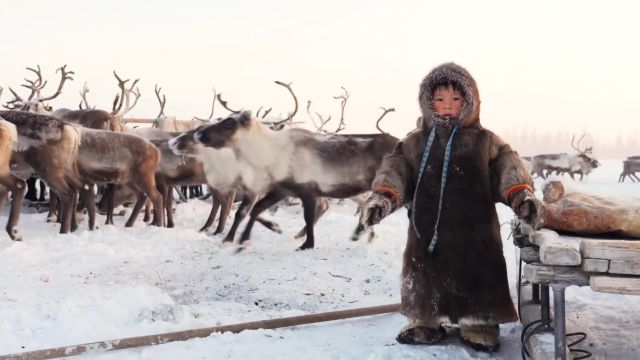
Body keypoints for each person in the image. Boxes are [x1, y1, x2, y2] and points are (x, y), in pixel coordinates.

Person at [359, 62, 544, 352]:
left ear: (470, 102)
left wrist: (520, 195)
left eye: (456, 100)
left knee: (477, 272)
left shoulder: (486, 141)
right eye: (440, 100)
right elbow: (397, 171)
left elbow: (507, 167)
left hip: (475, 230)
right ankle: (425, 320)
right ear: (428, 103)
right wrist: (384, 197)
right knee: (425, 273)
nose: (447, 106)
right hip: (426, 230)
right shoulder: (414, 142)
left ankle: (478, 322)